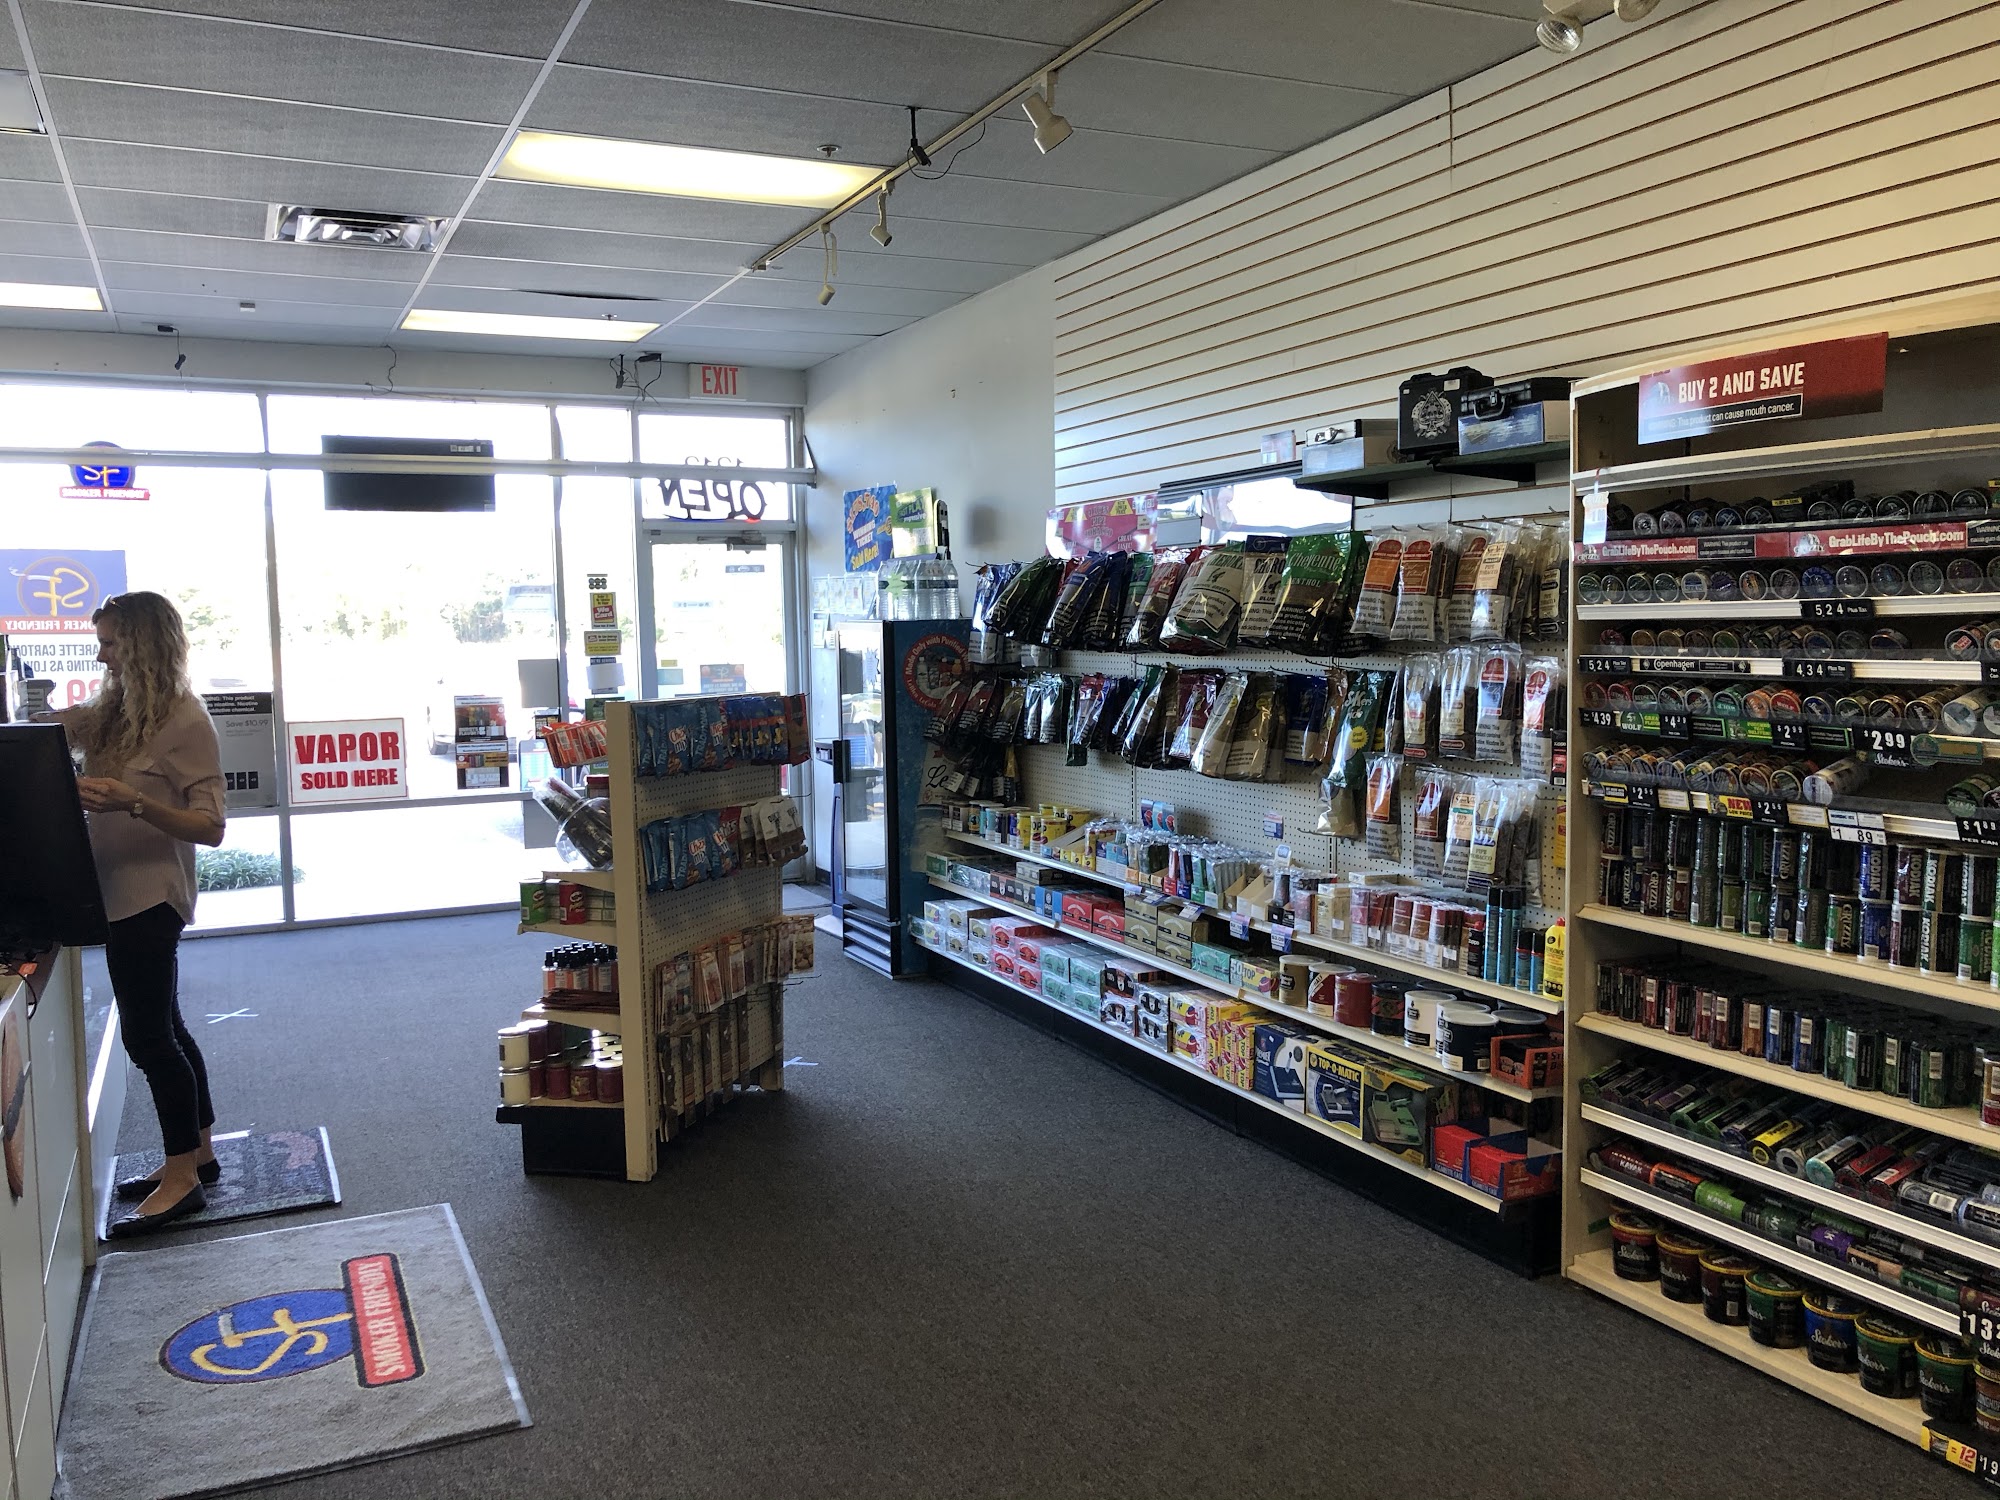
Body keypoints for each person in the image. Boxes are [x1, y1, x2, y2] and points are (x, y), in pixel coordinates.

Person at [51, 592, 227, 1237]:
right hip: (117, 893)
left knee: (147, 1038)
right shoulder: (116, 710)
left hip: (151, 896)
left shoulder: (185, 719)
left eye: (111, 643)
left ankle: (181, 1180)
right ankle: (199, 1155)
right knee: (168, 1026)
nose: (101, 656)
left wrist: (133, 802)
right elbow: (50, 728)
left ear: (143, 644)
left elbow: (211, 827)